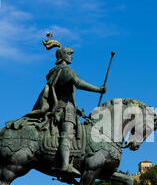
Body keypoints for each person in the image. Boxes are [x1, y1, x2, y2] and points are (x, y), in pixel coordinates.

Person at [31, 39, 106, 175]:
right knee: (66, 135)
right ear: (64, 55)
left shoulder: (55, 71)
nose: (72, 56)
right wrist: (98, 89)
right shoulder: (65, 70)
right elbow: (78, 83)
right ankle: (65, 164)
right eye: (70, 54)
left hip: (67, 108)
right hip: (65, 110)